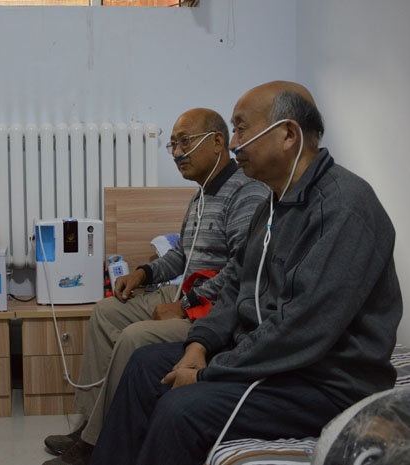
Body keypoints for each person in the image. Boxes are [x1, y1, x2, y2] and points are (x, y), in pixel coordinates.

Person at [90, 81, 403, 465]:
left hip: (323, 382)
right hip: (269, 360)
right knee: (144, 365)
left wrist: (206, 374)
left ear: (287, 134)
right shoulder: (273, 204)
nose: (234, 144)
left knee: (180, 409)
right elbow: (236, 285)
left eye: (240, 129)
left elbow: (302, 329)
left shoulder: (344, 208)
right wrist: (199, 345)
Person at [43, 109, 269, 465]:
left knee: (134, 336)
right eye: (173, 144)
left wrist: (184, 304)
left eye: (185, 142)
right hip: (187, 292)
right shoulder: (200, 196)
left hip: (213, 306)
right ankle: (90, 423)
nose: (177, 153)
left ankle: (97, 444)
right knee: (106, 311)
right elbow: (181, 255)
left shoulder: (246, 193)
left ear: (217, 141)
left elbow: (240, 270)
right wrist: (142, 274)